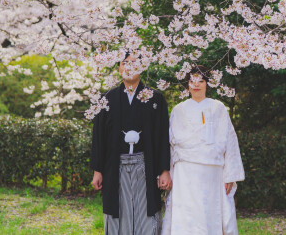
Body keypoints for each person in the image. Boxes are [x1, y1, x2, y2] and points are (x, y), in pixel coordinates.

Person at [91, 53, 172, 235]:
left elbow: (161, 136)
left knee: (145, 210)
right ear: (119, 68)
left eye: (134, 63)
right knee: (118, 209)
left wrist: (164, 170)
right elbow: (99, 136)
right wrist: (98, 169)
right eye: (124, 63)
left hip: (146, 164)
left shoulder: (155, 98)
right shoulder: (107, 99)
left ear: (142, 67)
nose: (128, 67)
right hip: (115, 164)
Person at [161, 65, 245, 235]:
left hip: (212, 171)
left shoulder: (218, 108)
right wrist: (167, 173)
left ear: (207, 84)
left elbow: (230, 140)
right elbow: (171, 145)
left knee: (209, 213)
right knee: (186, 214)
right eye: (192, 81)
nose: (196, 85)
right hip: (185, 172)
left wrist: (230, 174)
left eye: (201, 81)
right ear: (187, 84)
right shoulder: (179, 110)